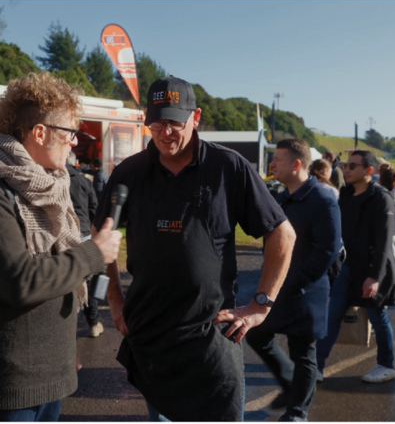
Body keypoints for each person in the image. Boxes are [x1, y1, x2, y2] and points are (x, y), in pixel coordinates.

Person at [94, 76, 296, 421]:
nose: (164, 132)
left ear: (196, 117)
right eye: (156, 123)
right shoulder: (131, 172)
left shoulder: (228, 167)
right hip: (150, 336)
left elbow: (282, 233)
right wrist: (114, 298)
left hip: (211, 337)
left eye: (174, 122)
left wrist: (261, 304)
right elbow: (102, 235)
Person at [0, 71, 122, 421]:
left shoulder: (53, 186)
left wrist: (66, 349)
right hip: (11, 383)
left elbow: (59, 278)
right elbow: (21, 280)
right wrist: (95, 253)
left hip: (52, 373)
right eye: (69, 133)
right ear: (40, 132)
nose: (75, 142)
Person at [246, 139, 340, 422]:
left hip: (305, 288)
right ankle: (290, 384)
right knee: (257, 334)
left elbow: (328, 248)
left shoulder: (322, 198)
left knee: (303, 352)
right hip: (280, 286)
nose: (272, 164)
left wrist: (298, 282)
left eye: (278, 159)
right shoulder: (282, 198)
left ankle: (297, 413)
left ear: (297, 164)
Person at [315, 150, 395, 384]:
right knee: (332, 316)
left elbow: (384, 242)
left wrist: (374, 277)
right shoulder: (346, 194)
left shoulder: (382, 198)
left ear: (369, 171)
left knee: (378, 316)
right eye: (345, 165)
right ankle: (317, 366)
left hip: (373, 269)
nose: (346, 169)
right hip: (348, 267)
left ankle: (386, 365)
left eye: (353, 165)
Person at [66, 151, 103, 338]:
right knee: (87, 284)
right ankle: (93, 323)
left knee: (66, 284)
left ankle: (67, 328)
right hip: (84, 235)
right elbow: (95, 209)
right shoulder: (84, 181)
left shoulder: (51, 178)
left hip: (63, 237)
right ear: (76, 163)